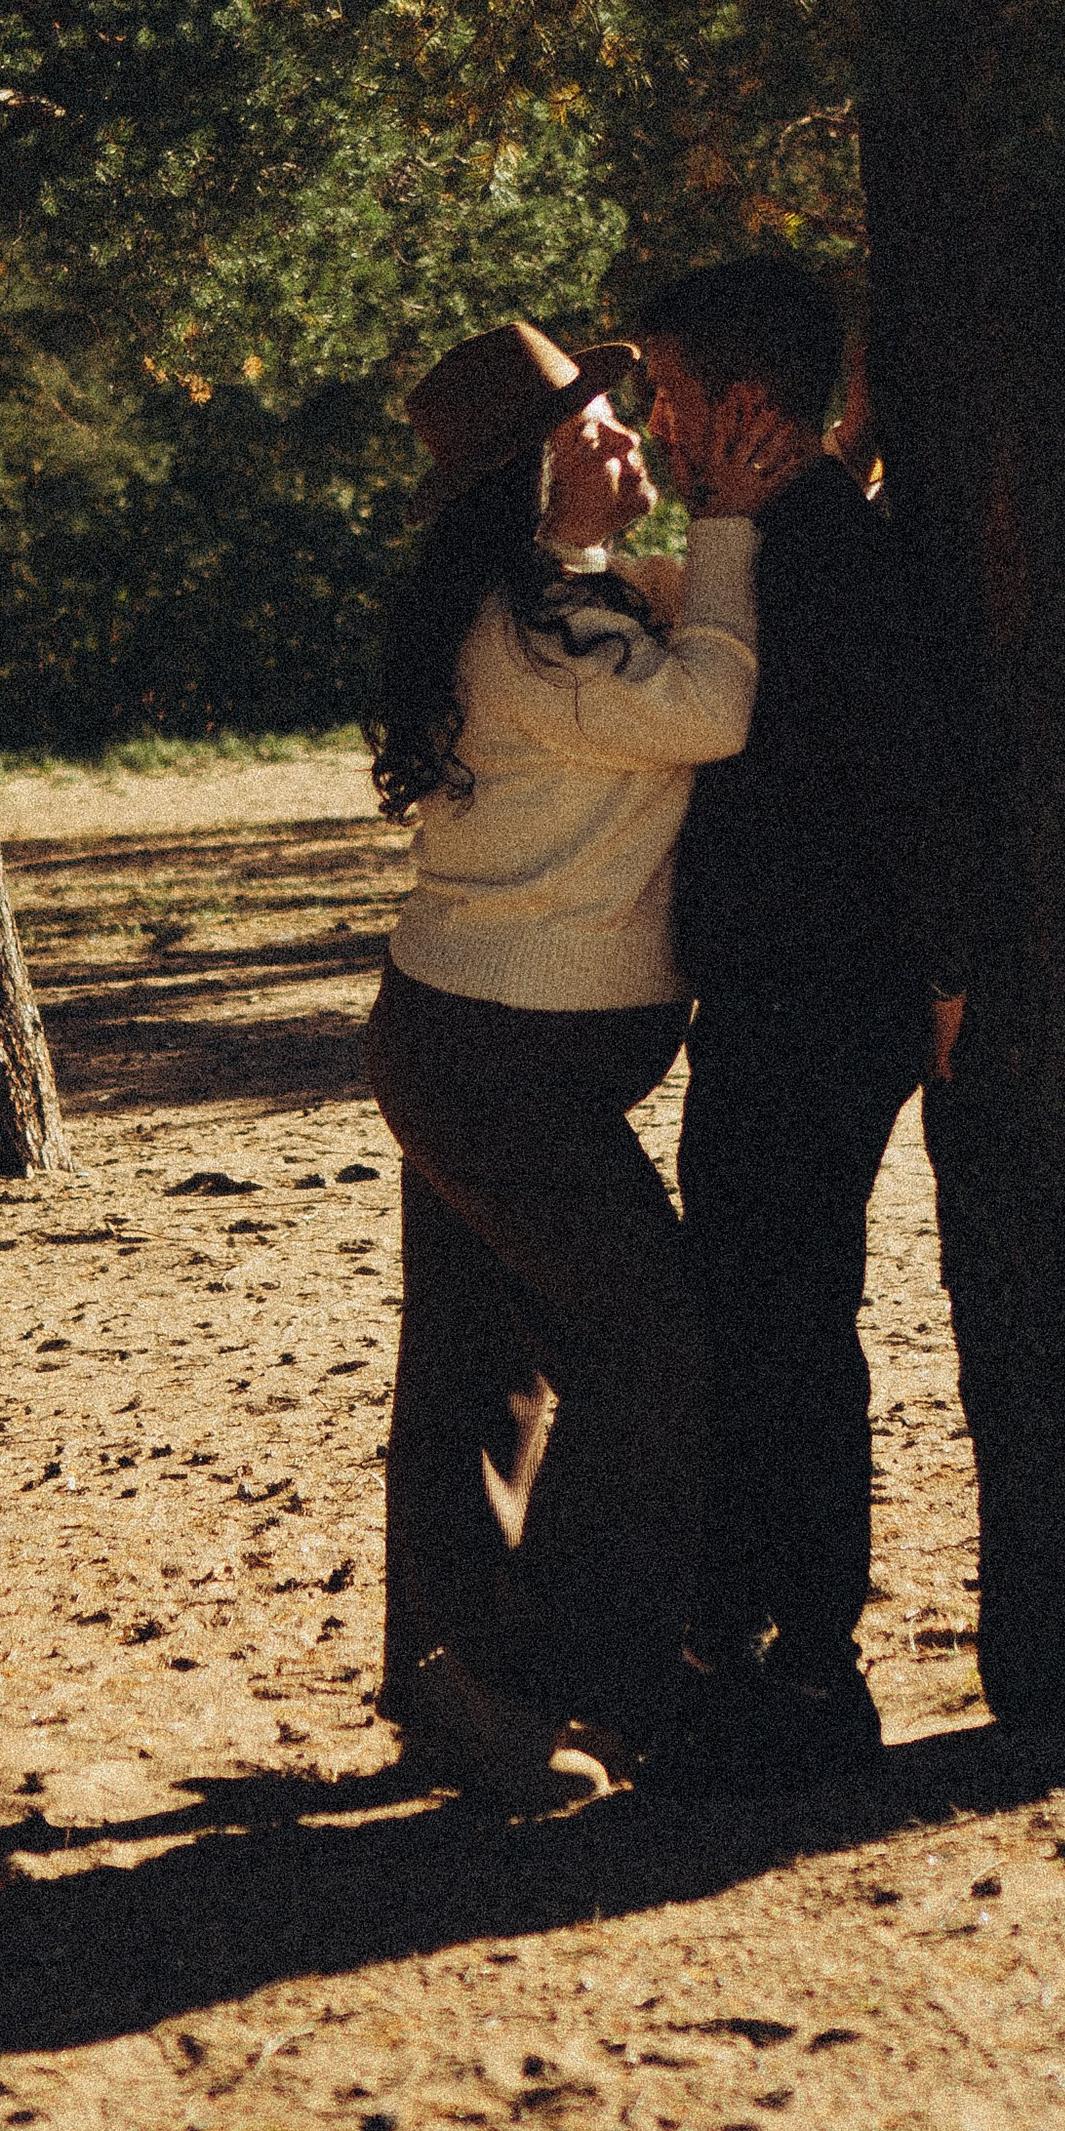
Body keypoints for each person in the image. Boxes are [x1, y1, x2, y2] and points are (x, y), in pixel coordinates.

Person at [362, 315, 792, 1810]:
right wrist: (735, 524)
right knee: (652, 1347)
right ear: (532, 484)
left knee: (480, 1371)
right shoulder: (545, 640)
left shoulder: (548, 603)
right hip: (494, 1067)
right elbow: (715, 705)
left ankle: (454, 1686)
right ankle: (572, 1687)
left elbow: (669, 620)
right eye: (597, 430)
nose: (630, 442)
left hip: (468, 1046)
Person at [638, 256, 971, 1791]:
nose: (652, 426)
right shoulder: (775, 536)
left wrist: (946, 968)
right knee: (768, 1325)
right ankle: (761, 1654)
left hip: (816, 1004)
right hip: (787, 997)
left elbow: (910, 771)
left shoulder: (822, 554)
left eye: (668, 394)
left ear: (746, 406)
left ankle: (804, 1673)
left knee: (782, 1335)